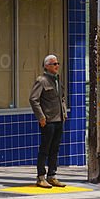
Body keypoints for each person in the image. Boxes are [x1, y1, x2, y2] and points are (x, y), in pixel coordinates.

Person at [29, 54, 69, 189]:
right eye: (54, 64)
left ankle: (52, 175)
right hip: (48, 120)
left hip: (59, 119)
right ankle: (41, 177)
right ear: (47, 66)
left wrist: (64, 112)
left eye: (58, 63)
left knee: (55, 149)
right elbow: (34, 99)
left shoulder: (57, 80)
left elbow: (61, 98)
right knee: (45, 148)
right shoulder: (42, 81)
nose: (57, 66)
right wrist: (41, 117)